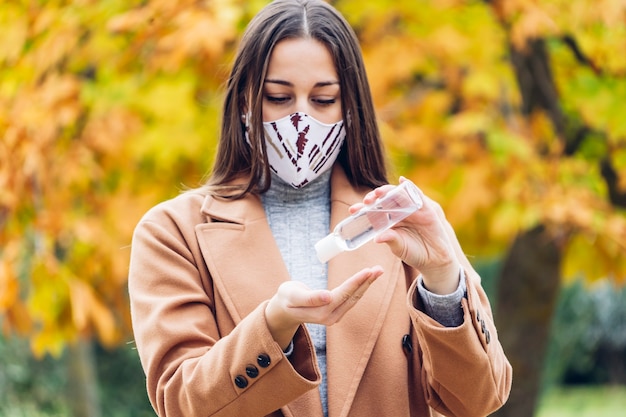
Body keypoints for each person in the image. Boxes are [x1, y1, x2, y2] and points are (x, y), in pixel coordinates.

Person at [128, 0, 512, 416]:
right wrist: (274, 324)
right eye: (278, 97)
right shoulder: (173, 232)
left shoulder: (400, 221)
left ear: (350, 107)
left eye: (324, 99)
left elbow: (478, 399)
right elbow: (181, 402)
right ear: (243, 101)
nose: (300, 120)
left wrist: (442, 278)